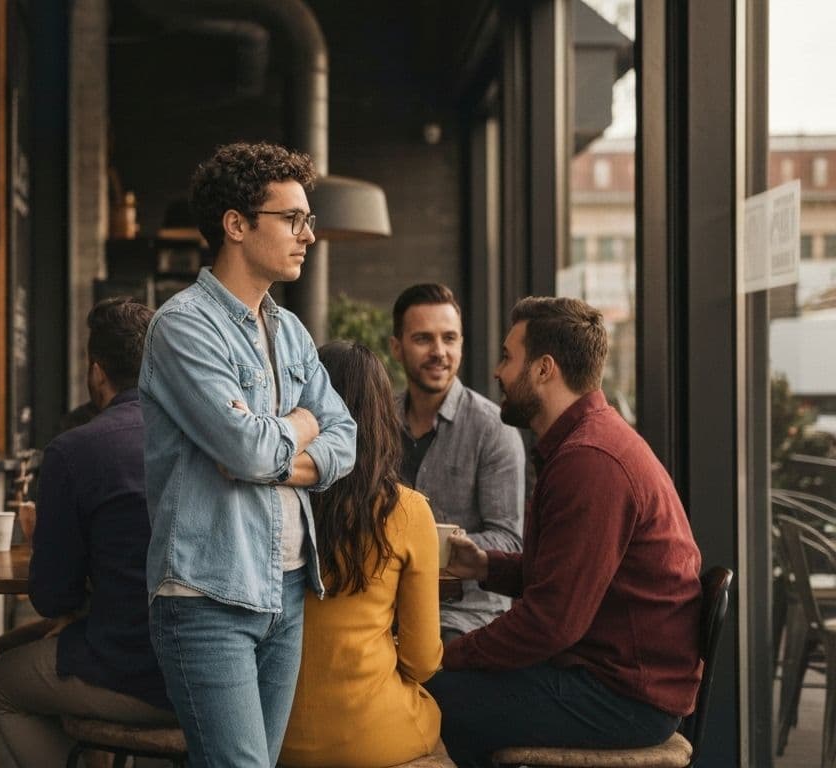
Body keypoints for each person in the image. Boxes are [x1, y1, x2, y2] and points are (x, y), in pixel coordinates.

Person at [139, 141, 357, 767]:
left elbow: (346, 438)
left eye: (308, 220)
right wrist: (299, 427)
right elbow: (247, 446)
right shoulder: (183, 326)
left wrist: (281, 445)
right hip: (207, 597)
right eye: (292, 219)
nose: (307, 235)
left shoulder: (289, 330)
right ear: (236, 225)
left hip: (287, 590)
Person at [426, 297, 703, 767]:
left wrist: (440, 655)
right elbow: (569, 576)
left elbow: (551, 622)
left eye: (509, 357)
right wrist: (486, 566)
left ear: (544, 369)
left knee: (436, 694)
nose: (498, 372)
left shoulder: (590, 461)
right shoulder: (588, 442)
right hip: (614, 676)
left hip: (625, 698)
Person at [0, 297, 176, 767]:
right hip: (223, 671)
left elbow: (52, 597)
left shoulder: (76, 450)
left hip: (136, 669)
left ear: (96, 372)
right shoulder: (207, 437)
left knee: (2, 681)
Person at [280, 341, 443, 768]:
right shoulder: (407, 510)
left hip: (275, 734)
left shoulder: (271, 503)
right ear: (381, 418)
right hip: (377, 737)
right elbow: (422, 660)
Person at [388, 283, 525, 642]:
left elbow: (509, 540)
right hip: (386, 607)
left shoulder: (494, 428)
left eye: (449, 338)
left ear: (461, 344)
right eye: (423, 339)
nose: (439, 352)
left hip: (465, 615)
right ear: (396, 348)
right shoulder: (377, 421)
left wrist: (425, 548)